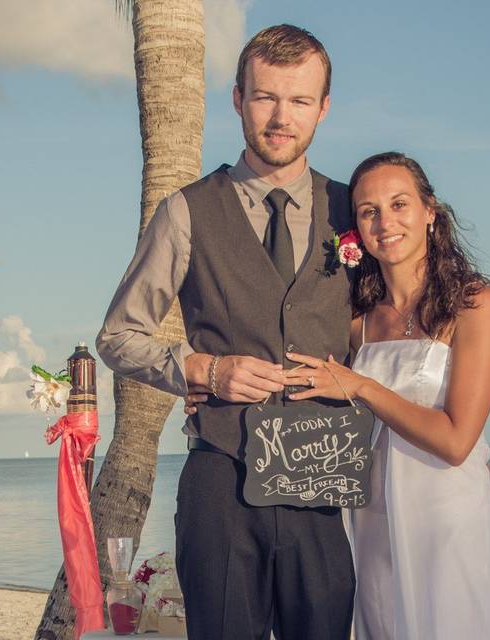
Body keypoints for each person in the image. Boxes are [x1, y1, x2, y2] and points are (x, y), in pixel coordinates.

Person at [96, 25, 355, 640]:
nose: (280, 117)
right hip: (221, 480)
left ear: (323, 108)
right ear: (238, 99)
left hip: (323, 482)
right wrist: (203, 369)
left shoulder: (353, 210)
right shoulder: (185, 211)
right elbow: (118, 335)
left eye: (299, 101)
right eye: (265, 97)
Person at [283, 152, 490, 639]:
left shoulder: (475, 305)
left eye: (399, 204)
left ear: (430, 211)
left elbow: (456, 442)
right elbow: (287, 356)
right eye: (369, 211)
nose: (385, 222)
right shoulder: (358, 320)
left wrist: (363, 386)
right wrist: (209, 382)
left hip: (444, 514)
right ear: (356, 230)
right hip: (370, 518)